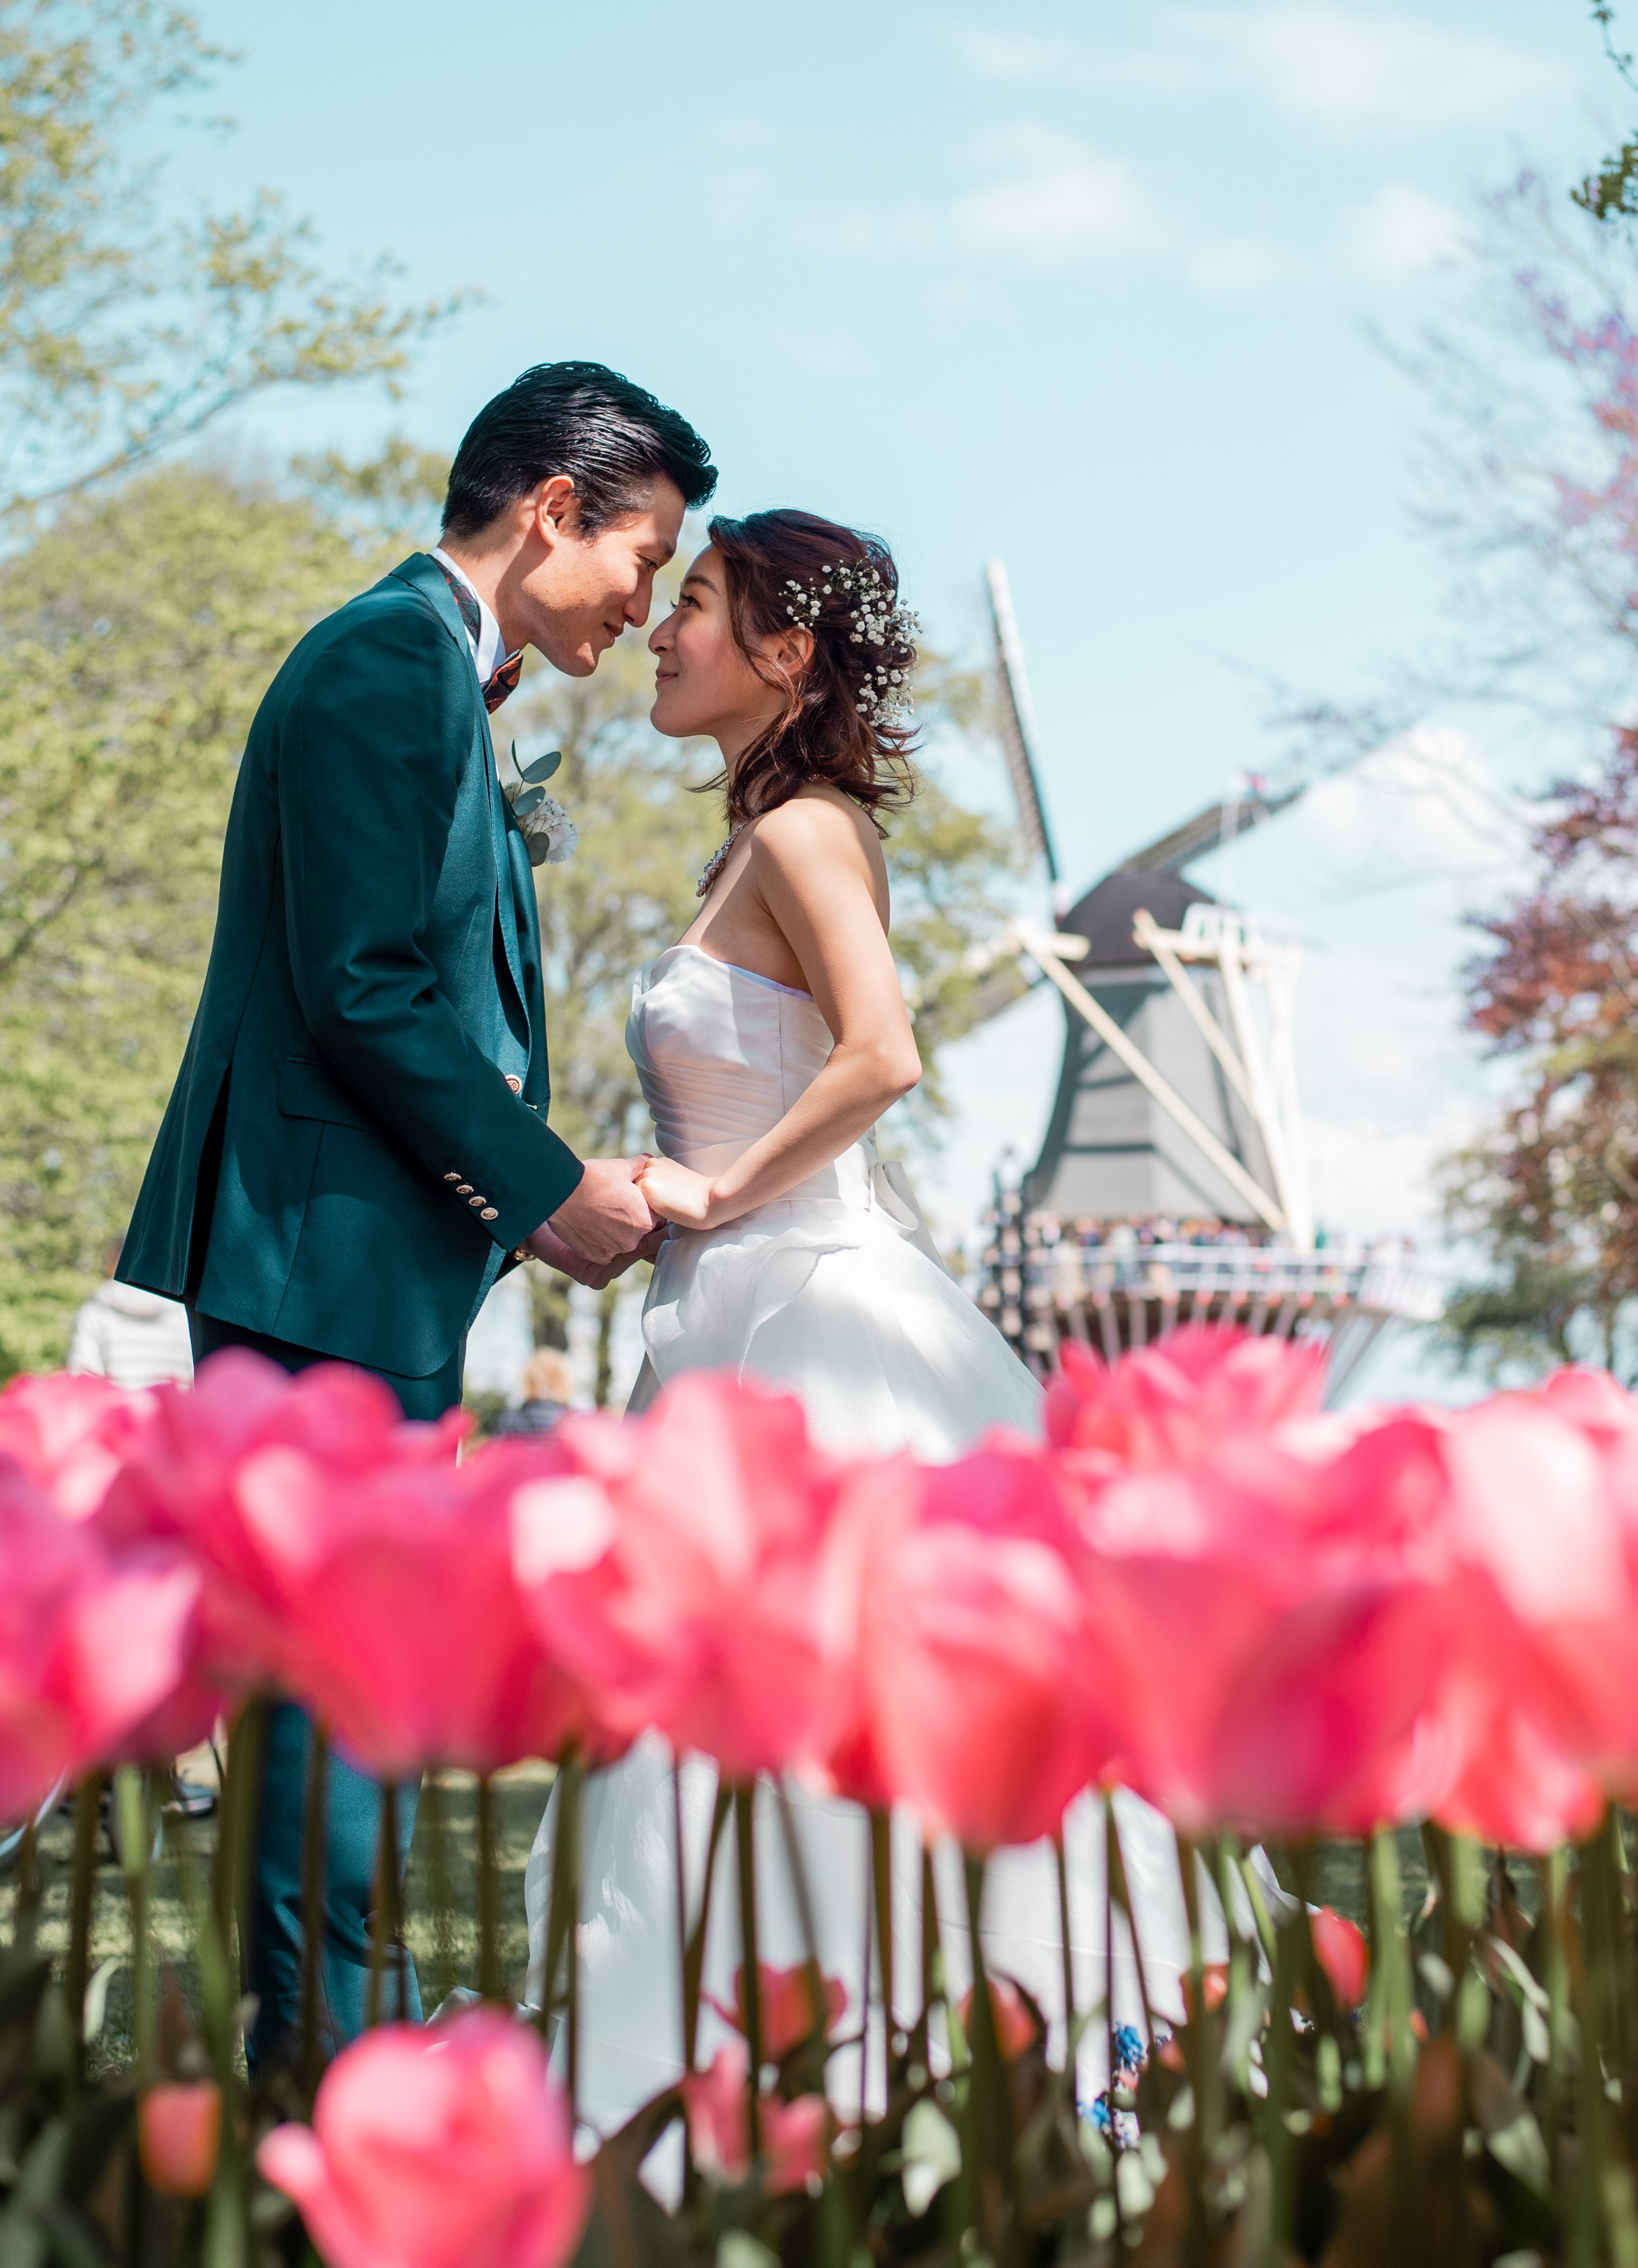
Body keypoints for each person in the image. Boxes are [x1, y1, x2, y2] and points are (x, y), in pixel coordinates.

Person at [525, 512, 1251, 2145]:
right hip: (728, 1322)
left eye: (693, 604)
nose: (660, 629)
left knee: (807, 1701)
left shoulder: (805, 835)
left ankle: (850, 2065)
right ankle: (785, 2071)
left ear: (783, 652)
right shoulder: (761, 837)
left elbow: (882, 1055)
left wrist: (715, 1196)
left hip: (806, 1314)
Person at [118, 361, 714, 2070]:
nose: (645, 600)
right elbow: (367, 990)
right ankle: (328, 2079)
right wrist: (544, 1192)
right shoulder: (388, 662)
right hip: (322, 1263)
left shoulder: (438, 677)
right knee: (326, 1703)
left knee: (335, 1692)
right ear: (552, 512)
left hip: (354, 1264)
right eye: (642, 557)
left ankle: (325, 2064)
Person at [67, 1234, 194, 1389]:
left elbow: (83, 1377)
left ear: (113, 1261)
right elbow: (198, 1372)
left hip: (119, 1410)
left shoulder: (94, 1311)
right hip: (175, 1408)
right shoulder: (182, 1310)